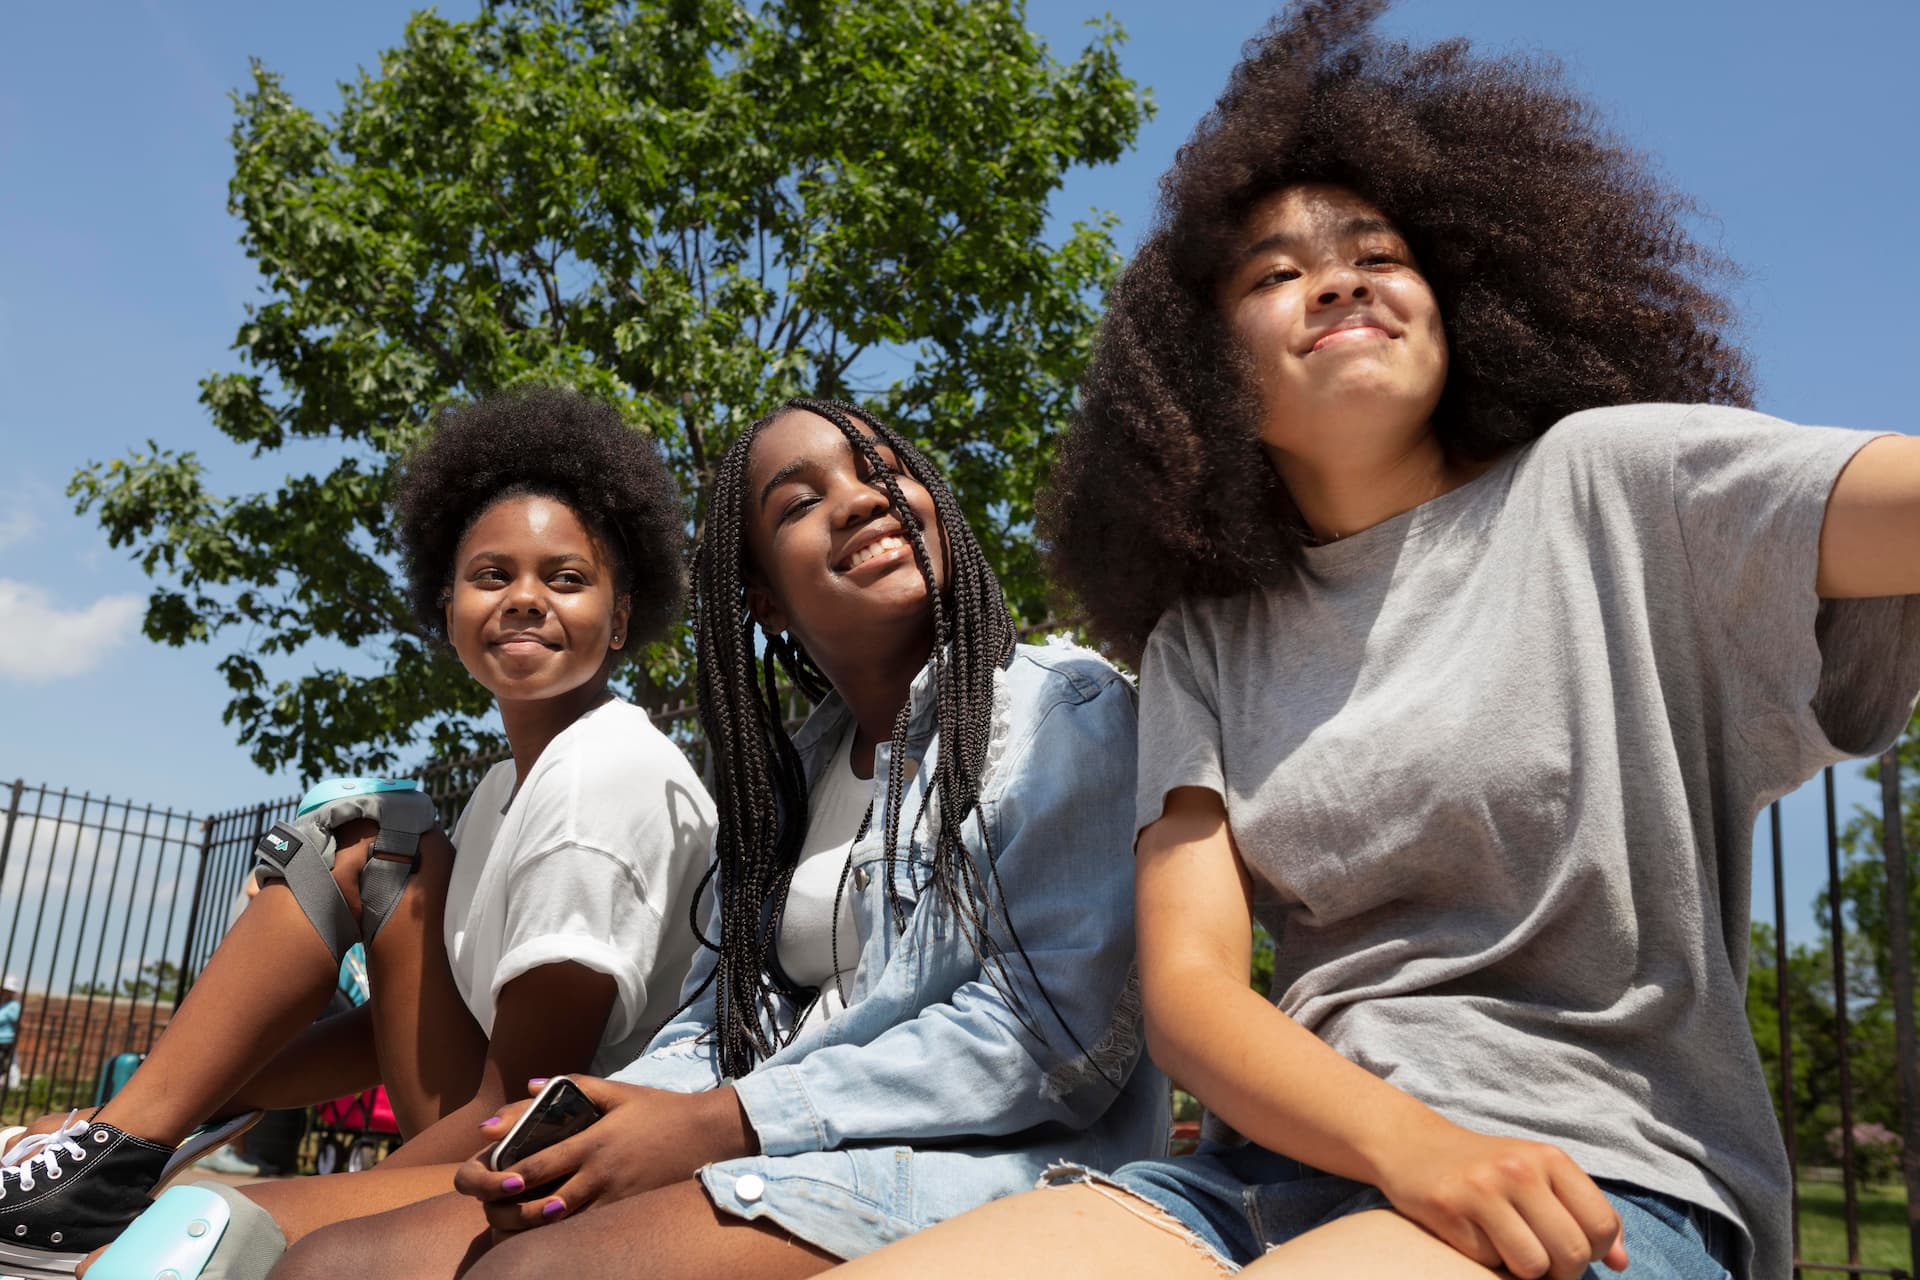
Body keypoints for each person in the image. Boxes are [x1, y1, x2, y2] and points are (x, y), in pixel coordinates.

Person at [828, 4, 1920, 1279]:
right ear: (1196, 371)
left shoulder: (1613, 483)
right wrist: (1407, 1145)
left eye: (1377, 254)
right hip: (1259, 1173)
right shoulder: (1208, 640)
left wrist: (1447, 1161)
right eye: (1272, 274)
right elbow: (1191, 991)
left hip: (1594, 1173)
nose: (1336, 279)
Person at [268, 398, 1165, 1280]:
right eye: (800, 502)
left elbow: (1049, 1043)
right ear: (766, 602)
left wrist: (723, 1122)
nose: (859, 499)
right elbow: (711, 1031)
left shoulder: (1060, 707)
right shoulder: (786, 789)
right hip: (774, 1151)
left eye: (883, 470)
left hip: (994, 1172)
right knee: (337, 1264)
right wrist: (599, 1118)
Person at [0, 387, 716, 1275]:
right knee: (372, 849)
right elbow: (399, 1025)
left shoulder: (600, 776)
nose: (526, 599)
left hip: (558, 1150)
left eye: (565, 578)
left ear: (621, 615)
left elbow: (518, 1105)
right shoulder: (505, 785)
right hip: (487, 1111)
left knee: (197, 1229)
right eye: (492, 576)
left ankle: (109, 1178)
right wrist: (196, 1094)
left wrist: (230, 1212)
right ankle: (110, 1152)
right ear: (447, 603)